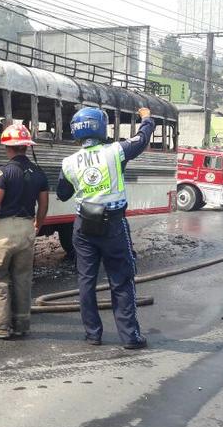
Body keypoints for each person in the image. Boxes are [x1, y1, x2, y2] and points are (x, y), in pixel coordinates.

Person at [56, 106, 154, 349]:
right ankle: (130, 337)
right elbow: (141, 140)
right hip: (113, 224)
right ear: (101, 127)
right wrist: (147, 119)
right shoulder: (116, 151)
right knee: (121, 279)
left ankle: (93, 335)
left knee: (86, 281)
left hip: (83, 226)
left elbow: (63, 193)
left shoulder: (68, 162)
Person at [0, 124, 49, 340]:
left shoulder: (4, 171)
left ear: (8, 147)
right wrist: (38, 225)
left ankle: (0, 326)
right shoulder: (39, 172)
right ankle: (21, 324)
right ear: (26, 147)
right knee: (22, 277)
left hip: (5, 230)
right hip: (27, 228)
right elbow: (43, 205)